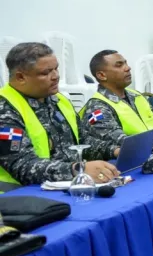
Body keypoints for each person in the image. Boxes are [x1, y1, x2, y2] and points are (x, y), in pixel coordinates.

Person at [0, 42, 119, 185]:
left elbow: (83, 141)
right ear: (20, 77)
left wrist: (114, 150)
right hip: (19, 197)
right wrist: (77, 169)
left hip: (65, 186)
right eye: (46, 72)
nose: (56, 76)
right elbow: (21, 165)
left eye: (56, 69)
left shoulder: (59, 101)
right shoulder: (5, 108)